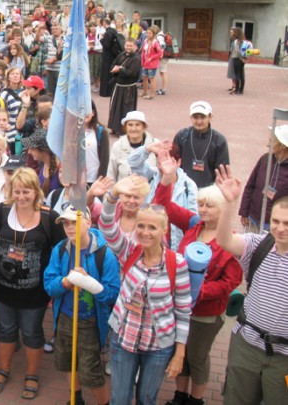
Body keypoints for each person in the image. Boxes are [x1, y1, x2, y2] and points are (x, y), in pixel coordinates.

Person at [0, 168, 66, 399]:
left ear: (36, 191)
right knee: (5, 329)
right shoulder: (2, 211)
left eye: (27, 192)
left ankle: (32, 375)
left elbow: (63, 250)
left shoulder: (50, 217)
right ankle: (4, 369)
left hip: (34, 291)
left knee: (32, 332)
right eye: (17, 191)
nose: (21, 197)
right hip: (2, 288)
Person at [153, 156, 242, 405]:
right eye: (201, 204)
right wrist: (166, 179)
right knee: (180, 350)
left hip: (206, 312)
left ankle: (196, 399)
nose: (203, 209)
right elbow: (163, 207)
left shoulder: (230, 241)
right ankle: (180, 395)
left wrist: (198, 291)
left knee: (198, 356)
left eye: (209, 206)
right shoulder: (194, 225)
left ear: (223, 208)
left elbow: (230, 282)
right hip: (181, 306)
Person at [99, 175, 192, 405]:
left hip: (158, 345)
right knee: (119, 399)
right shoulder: (130, 250)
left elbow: (183, 311)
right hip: (124, 338)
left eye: (152, 227)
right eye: (141, 226)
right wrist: (112, 196)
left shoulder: (176, 263)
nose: (145, 232)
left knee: (146, 400)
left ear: (164, 230)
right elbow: (107, 225)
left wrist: (179, 353)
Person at [214, 165, 288, 405]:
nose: (280, 228)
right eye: (276, 221)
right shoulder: (259, 245)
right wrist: (230, 204)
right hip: (247, 344)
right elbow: (224, 240)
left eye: (287, 223)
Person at [43, 206, 120, 405]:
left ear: (88, 222)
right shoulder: (60, 250)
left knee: (91, 370)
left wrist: (90, 283)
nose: (69, 227)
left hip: (90, 321)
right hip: (65, 317)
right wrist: (65, 282)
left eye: (74, 222)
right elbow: (49, 285)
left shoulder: (105, 255)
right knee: (69, 363)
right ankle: (75, 399)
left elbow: (112, 294)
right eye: (66, 223)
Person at [240, 125, 288, 234]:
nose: (267, 144)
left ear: (283, 146)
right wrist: (244, 211)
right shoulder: (265, 159)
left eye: (271, 141)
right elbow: (250, 185)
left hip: (275, 226)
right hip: (253, 219)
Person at [173, 101, 230, 189]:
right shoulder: (182, 136)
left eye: (203, 117)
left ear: (210, 117)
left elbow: (222, 172)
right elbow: (173, 163)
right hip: (183, 189)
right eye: (195, 117)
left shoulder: (219, 140)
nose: (199, 121)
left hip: (208, 192)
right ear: (191, 117)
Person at [108, 111, 157, 182]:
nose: (133, 129)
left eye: (137, 125)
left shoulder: (154, 145)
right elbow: (111, 173)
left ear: (144, 127)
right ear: (125, 127)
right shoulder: (118, 146)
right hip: (124, 192)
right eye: (130, 125)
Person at [107, 39, 142, 135]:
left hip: (128, 88)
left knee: (125, 109)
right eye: (127, 45)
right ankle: (114, 128)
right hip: (118, 86)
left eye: (130, 46)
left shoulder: (136, 59)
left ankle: (123, 131)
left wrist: (120, 69)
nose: (128, 47)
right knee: (114, 108)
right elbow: (113, 65)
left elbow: (131, 73)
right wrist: (115, 69)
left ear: (135, 46)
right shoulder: (121, 54)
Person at [140, 26, 163, 100]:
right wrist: (142, 60)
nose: (148, 34)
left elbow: (160, 53)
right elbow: (143, 51)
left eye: (150, 33)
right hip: (145, 63)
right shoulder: (145, 41)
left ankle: (152, 94)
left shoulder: (155, 42)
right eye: (147, 33)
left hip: (152, 63)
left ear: (153, 34)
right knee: (144, 77)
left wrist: (151, 58)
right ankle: (145, 92)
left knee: (151, 78)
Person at [228, 27, 246, 95]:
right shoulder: (244, 41)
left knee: (237, 74)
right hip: (243, 60)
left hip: (237, 58)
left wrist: (240, 58)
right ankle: (241, 90)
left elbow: (237, 51)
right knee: (242, 75)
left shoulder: (236, 41)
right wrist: (244, 58)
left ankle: (237, 90)